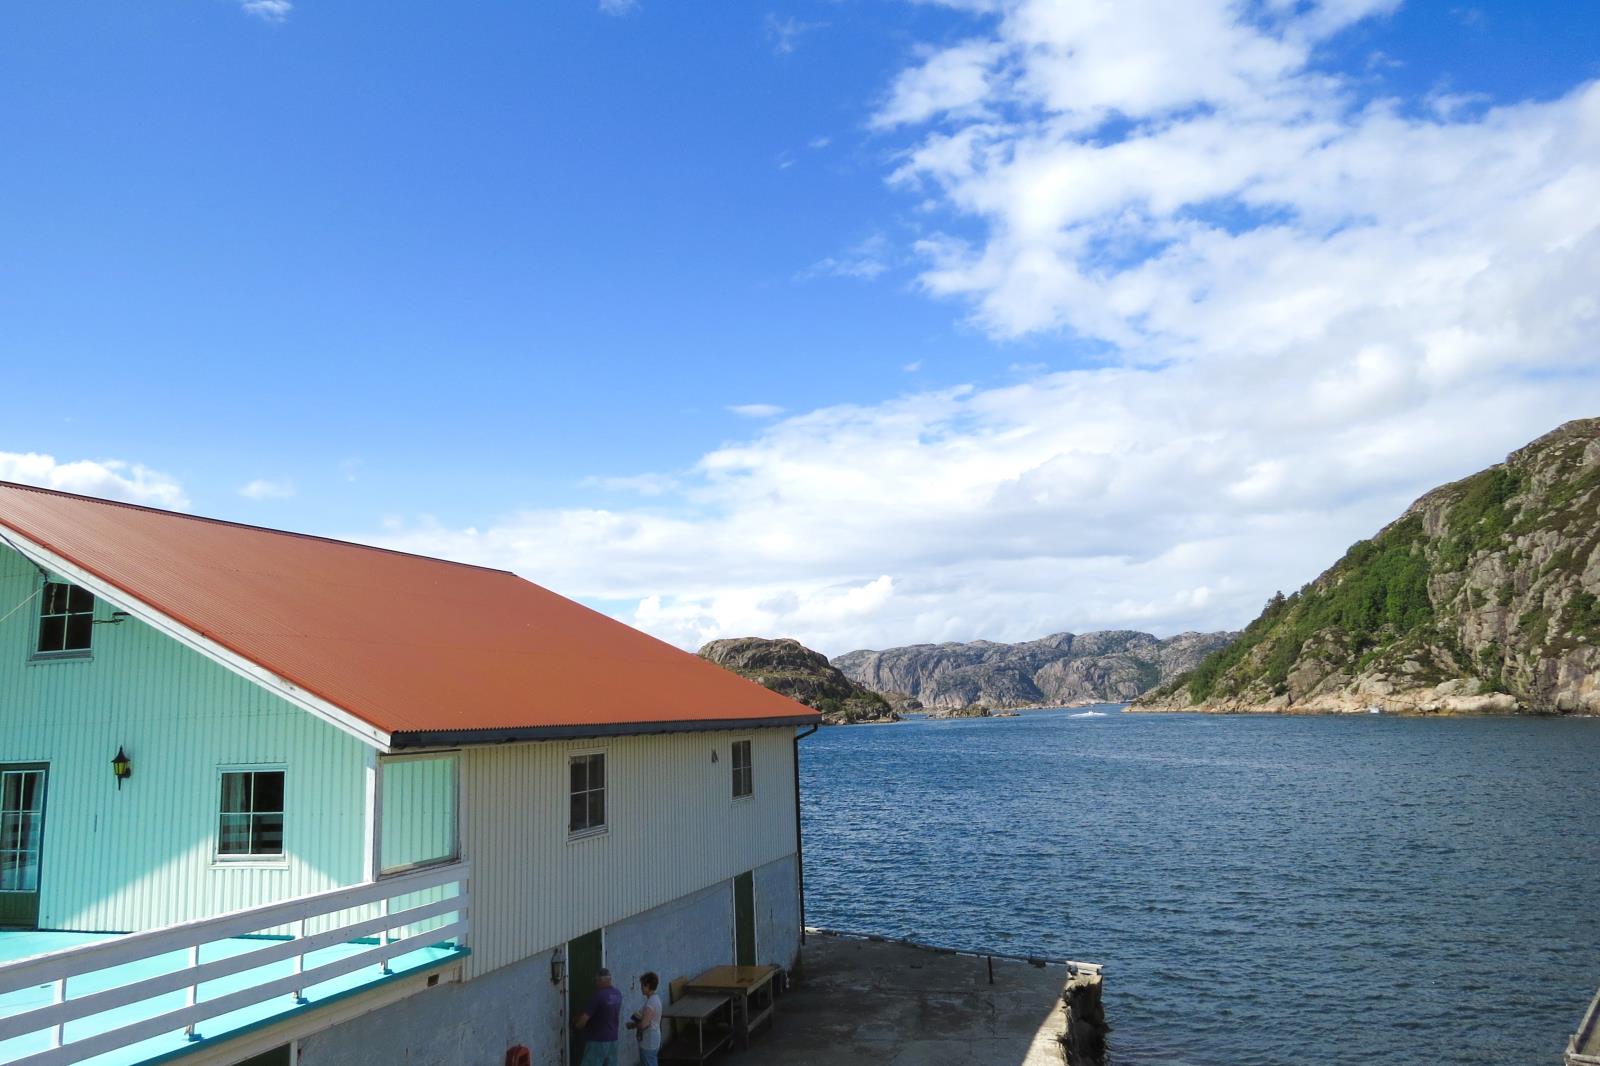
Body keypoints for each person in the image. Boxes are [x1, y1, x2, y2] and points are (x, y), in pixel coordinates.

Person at [573, 968, 623, 1066]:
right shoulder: (618, 994)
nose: (596, 983)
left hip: (597, 1040)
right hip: (613, 1039)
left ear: (601, 980)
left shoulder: (598, 996)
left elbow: (584, 1018)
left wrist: (576, 1026)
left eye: (596, 980)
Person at [626, 971, 663, 1066]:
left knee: (649, 1063)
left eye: (642, 985)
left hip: (648, 1041)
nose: (641, 988)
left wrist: (632, 1025)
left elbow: (644, 1025)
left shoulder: (650, 1003)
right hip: (654, 1038)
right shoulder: (656, 999)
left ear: (648, 986)